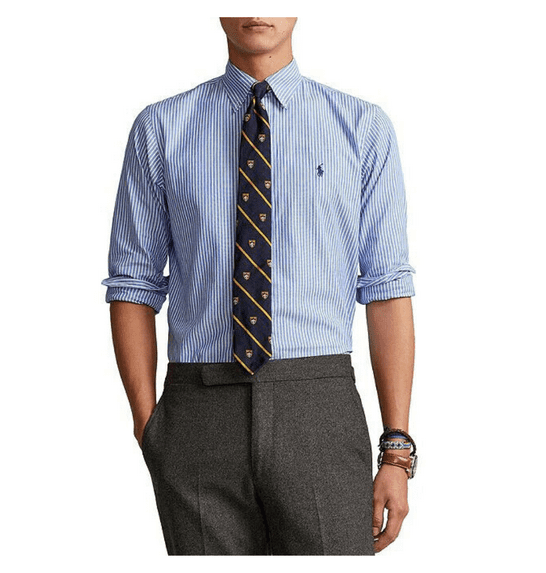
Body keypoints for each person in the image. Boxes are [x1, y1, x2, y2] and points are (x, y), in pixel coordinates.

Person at [101, 17, 417, 556]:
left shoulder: (362, 128)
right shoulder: (161, 128)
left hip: (320, 408)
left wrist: (397, 449)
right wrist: (149, 425)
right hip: (197, 413)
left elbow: (387, 289)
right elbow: (133, 282)